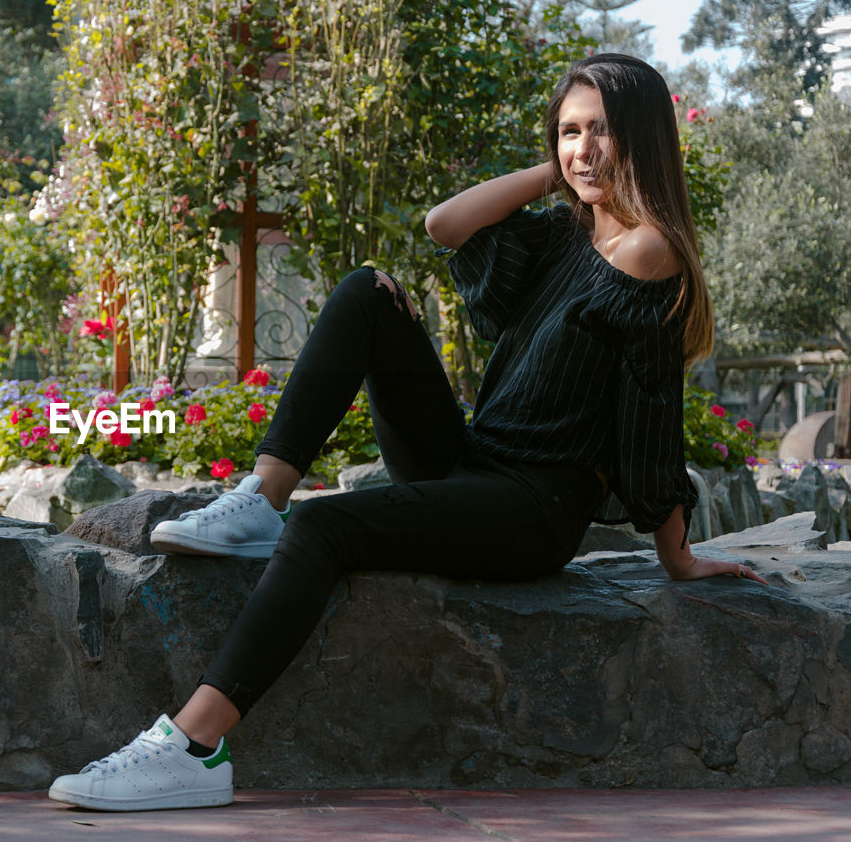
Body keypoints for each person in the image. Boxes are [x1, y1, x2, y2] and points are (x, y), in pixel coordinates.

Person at [47, 53, 767, 813]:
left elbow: (649, 412)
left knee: (326, 528)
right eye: (569, 131)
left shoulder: (650, 253)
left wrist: (677, 555)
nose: (583, 149)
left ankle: (194, 749)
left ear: (645, 138)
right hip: (474, 458)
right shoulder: (564, 236)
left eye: (603, 132)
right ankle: (263, 495)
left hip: (535, 505)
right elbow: (444, 225)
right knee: (368, 292)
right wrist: (554, 173)